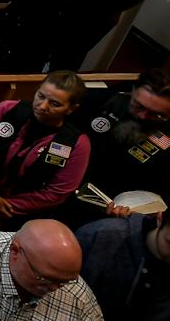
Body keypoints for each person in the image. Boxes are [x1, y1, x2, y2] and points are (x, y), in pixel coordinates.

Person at [0, 72, 90, 224]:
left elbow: (56, 193)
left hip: (18, 215)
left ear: (71, 108)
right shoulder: (8, 109)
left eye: (55, 104)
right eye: (40, 96)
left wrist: (5, 206)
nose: (43, 106)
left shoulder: (77, 143)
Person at [72, 71, 170, 215]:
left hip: (118, 209)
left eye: (158, 114)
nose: (143, 116)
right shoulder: (100, 101)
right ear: (133, 91)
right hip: (70, 184)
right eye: (139, 106)